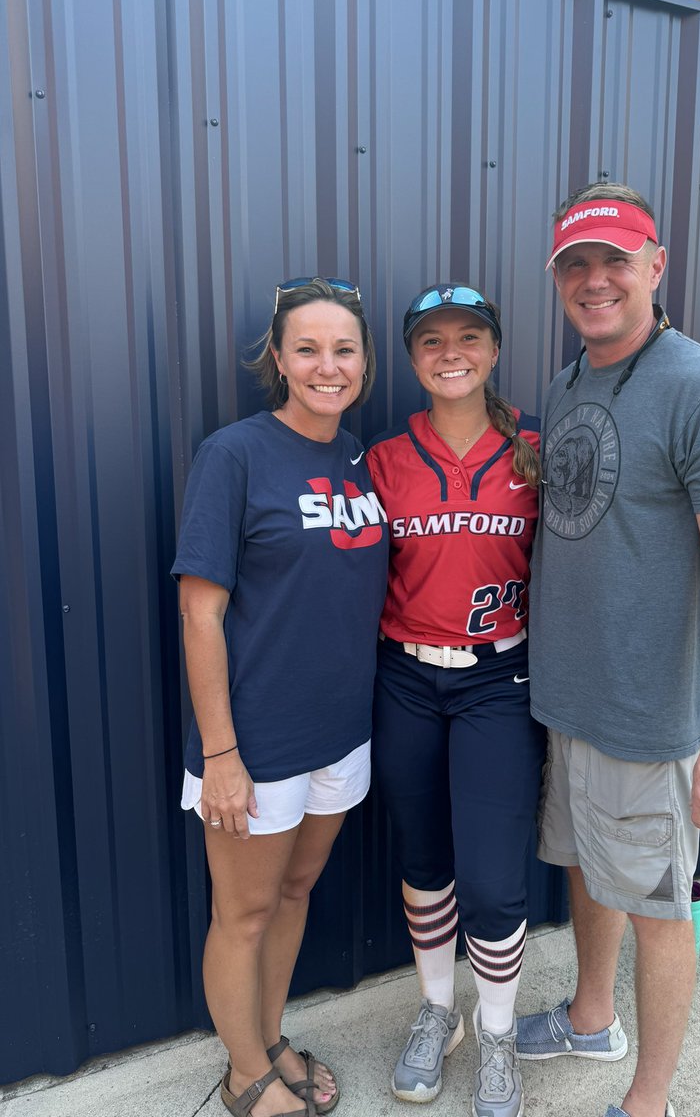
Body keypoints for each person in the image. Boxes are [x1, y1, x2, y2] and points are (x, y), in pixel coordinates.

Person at [516, 185, 700, 1117]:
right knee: (590, 866)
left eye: (614, 261)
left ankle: (649, 1102)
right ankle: (593, 1016)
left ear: (656, 266)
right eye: (575, 266)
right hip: (571, 699)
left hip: (651, 717)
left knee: (661, 909)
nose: (595, 282)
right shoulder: (568, 381)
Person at [172, 278, 388, 1117]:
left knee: (293, 894)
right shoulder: (235, 454)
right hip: (254, 743)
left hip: (341, 733)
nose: (326, 366)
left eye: (343, 350)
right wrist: (220, 756)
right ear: (278, 358)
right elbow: (200, 610)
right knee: (245, 911)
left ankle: (269, 1036)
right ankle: (242, 1072)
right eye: (308, 348)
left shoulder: (359, 458)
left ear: (365, 364)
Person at [367, 284, 546, 1117]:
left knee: (492, 880)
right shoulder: (381, 460)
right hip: (405, 675)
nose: (450, 352)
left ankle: (499, 1030)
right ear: (410, 358)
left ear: (494, 349)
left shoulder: (536, 452)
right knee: (425, 862)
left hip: (496, 680)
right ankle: (440, 1012)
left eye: (468, 336)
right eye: (431, 339)